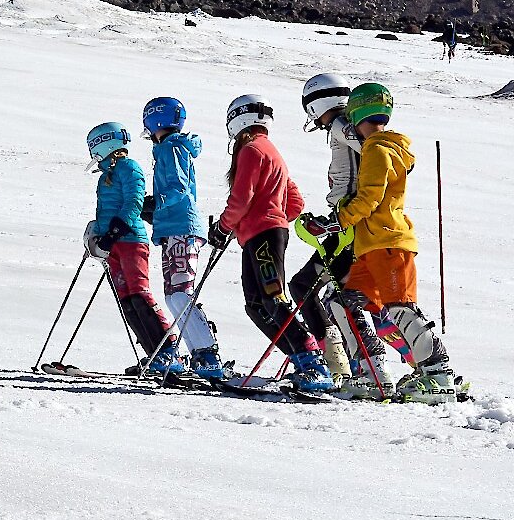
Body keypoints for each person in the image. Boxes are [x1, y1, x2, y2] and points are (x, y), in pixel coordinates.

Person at [337, 82, 468, 404]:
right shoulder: (383, 148)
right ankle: (370, 372)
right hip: (371, 246)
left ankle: (438, 372)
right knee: (345, 302)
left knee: (400, 308)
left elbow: (369, 198)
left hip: (388, 243)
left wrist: (340, 217)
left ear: (355, 115)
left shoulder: (377, 149)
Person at [209, 94, 338, 394]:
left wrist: (224, 227)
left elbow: (241, 198)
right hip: (261, 234)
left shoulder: (251, 150)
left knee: (273, 299)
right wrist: (273, 218)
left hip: (262, 235)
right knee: (256, 304)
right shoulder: (270, 150)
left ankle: (313, 363)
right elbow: (295, 202)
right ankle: (301, 358)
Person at [289, 73, 399, 397]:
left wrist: (343, 213)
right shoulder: (344, 126)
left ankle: (352, 365)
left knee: (313, 289)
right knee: (331, 295)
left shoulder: (341, 126)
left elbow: (372, 148)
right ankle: (352, 364)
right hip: (346, 223)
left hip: (349, 227)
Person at [141, 97, 230, 382]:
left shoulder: (172, 147)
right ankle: (200, 354)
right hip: (173, 227)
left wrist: (156, 203)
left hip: (181, 226)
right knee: (174, 296)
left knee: (180, 294)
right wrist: (156, 210)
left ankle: (208, 354)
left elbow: (178, 187)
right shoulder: (169, 148)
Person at [85, 122, 179, 375]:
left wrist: (114, 232)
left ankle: (168, 350)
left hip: (130, 241)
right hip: (113, 243)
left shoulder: (129, 167)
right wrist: (98, 234)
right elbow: (107, 209)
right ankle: (153, 355)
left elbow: (134, 202)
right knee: (126, 300)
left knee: (139, 294)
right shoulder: (106, 175)